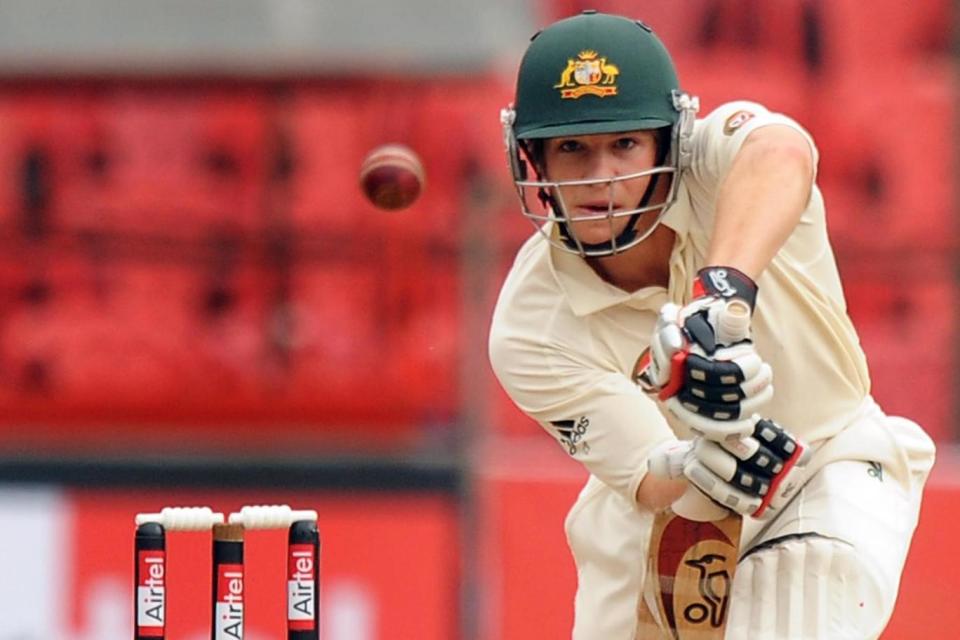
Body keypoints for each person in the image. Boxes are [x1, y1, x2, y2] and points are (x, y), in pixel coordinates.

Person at [488, 10, 936, 640]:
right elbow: (646, 476)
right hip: (660, 520)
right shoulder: (529, 328)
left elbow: (781, 150)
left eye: (624, 143)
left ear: (670, 142)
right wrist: (699, 457)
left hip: (828, 464)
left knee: (796, 603)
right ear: (532, 159)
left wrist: (718, 300)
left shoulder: (716, 162)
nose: (601, 178)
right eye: (572, 148)